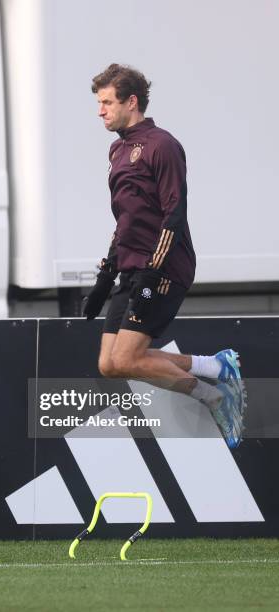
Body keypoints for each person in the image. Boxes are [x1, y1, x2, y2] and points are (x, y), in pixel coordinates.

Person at [84, 63, 245, 448]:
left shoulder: (162, 145)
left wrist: (153, 274)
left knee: (127, 357)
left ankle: (216, 394)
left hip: (164, 268)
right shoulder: (117, 149)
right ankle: (215, 366)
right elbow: (125, 218)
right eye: (99, 103)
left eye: (107, 102)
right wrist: (106, 275)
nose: (100, 111)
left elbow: (174, 213)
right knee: (109, 364)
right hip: (131, 269)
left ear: (132, 101)